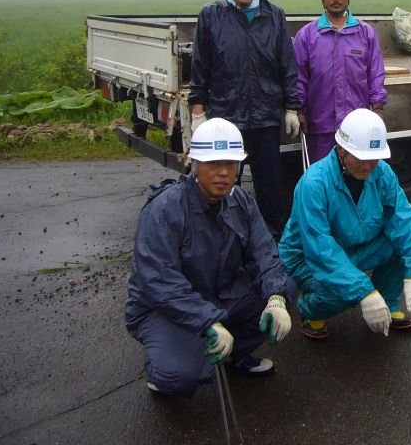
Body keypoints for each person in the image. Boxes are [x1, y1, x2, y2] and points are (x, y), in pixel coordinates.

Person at [125, 118, 296, 397]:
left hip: (218, 293)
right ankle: (162, 370)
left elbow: (264, 253)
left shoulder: (240, 200)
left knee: (284, 286)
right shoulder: (166, 209)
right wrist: (207, 321)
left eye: (231, 163)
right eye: (213, 164)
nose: (223, 173)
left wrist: (276, 297)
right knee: (180, 376)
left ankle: (234, 354)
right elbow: (159, 281)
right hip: (164, 307)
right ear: (194, 164)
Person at [278, 108, 411, 339]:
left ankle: (387, 304)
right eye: (360, 158)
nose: (367, 166)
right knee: (342, 293)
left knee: (399, 245)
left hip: (354, 245)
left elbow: (404, 221)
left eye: (373, 158)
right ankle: (311, 310)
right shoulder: (314, 183)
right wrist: (365, 292)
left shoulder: (382, 173)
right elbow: (319, 247)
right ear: (341, 149)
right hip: (308, 257)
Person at [189, 0, 301, 240]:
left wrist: (291, 108)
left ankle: (274, 245)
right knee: (223, 185)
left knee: (270, 187)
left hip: (265, 116)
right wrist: (198, 113)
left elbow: (287, 65)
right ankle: (221, 243)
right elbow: (200, 66)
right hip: (226, 117)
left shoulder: (274, 16)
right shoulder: (212, 15)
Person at [293, 0, 387, 164]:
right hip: (320, 126)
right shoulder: (307, 36)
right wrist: (298, 111)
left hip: (356, 128)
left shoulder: (365, 33)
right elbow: (299, 78)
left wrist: (378, 109)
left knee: (356, 175)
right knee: (323, 176)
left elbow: (375, 75)